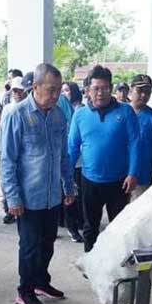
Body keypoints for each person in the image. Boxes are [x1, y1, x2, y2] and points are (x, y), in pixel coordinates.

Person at [1, 63, 76, 304]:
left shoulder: (58, 115)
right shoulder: (17, 114)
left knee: (48, 243)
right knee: (30, 246)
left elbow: (63, 155)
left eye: (58, 90)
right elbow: (8, 160)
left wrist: (69, 186)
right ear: (35, 87)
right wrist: (12, 198)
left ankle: (42, 282)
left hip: (52, 195)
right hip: (28, 197)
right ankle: (25, 290)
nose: (56, 95)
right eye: (51, 90)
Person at [67, 65, 140, 252]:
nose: (101, 93)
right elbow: (72, 147)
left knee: (118, 227)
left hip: (119, 182)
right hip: (90, 181)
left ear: (111, 88)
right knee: (90, 227)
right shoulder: (80, 114)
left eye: (105, 88)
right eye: (96, 88)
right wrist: (66, 178)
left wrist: (132, 173)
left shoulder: (125, 112)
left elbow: (134, 143)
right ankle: (91, 263)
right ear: (88, 90)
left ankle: (115, 265)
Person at [128, 74, 152, 200]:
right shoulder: (120, 113)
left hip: (141, 179)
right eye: (140, 91)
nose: (143, 95)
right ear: (131, 90)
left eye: (147, 92)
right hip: (118, 176)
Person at [0, 76, 28, 225]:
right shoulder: (7, 109)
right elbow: (2, 131)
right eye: (14, 90)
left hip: (21, 155)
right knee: (6, 183)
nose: (17, 93)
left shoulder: (26, 110)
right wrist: (0, 150)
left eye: (19, 90)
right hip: (6, 151)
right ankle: (9, 210)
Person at [61, 81, 85, 243]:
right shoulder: (58, 110)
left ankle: (74, 225)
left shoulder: (81, 110)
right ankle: (67, 224)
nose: (63, 94)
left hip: (79, 161)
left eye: (67, 90)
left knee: (74, 195)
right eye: (61, 90)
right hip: (64, 159)